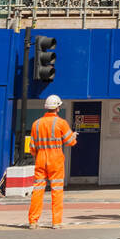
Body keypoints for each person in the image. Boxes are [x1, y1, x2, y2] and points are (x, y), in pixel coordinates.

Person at [27, 95, 77, 229]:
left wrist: (39, 154)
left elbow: (32, 148)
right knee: (57, 190)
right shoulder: (61, 123)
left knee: (38, 190)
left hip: (40, 158)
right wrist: (73, 136)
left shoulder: (36, 124)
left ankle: (33, 221)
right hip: (55, 159)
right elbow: (70, 142)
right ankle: (56, 222)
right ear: (58, 108)